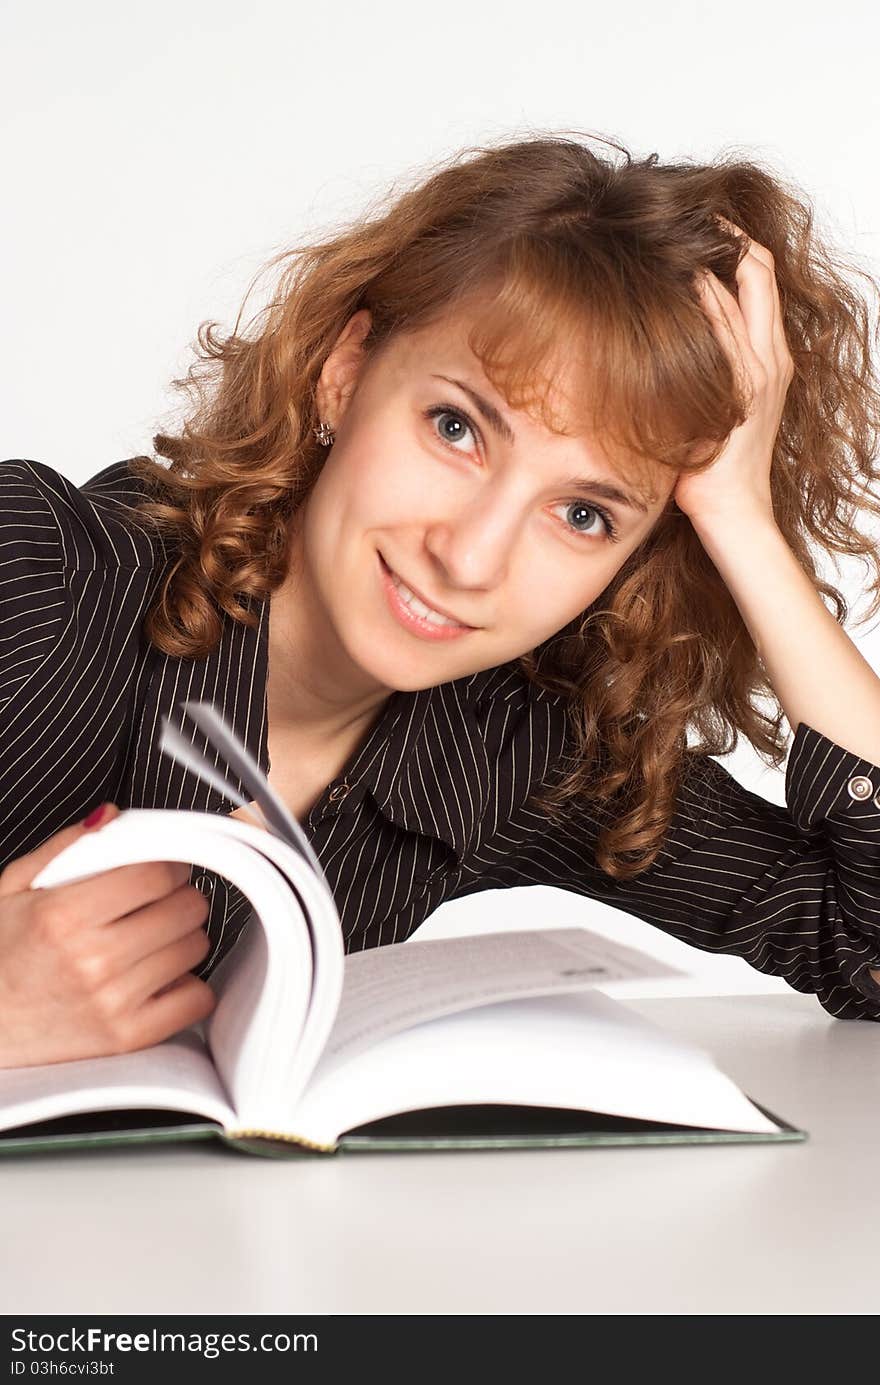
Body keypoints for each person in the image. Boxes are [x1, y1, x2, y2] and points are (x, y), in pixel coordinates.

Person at [3, 130, 880, 1070]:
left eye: (584, 513)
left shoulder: (507, 750)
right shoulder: (41, 580)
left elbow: (864, 950)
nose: (469, 557)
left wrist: (740, 522)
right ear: (347, 370)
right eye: (456, 427)